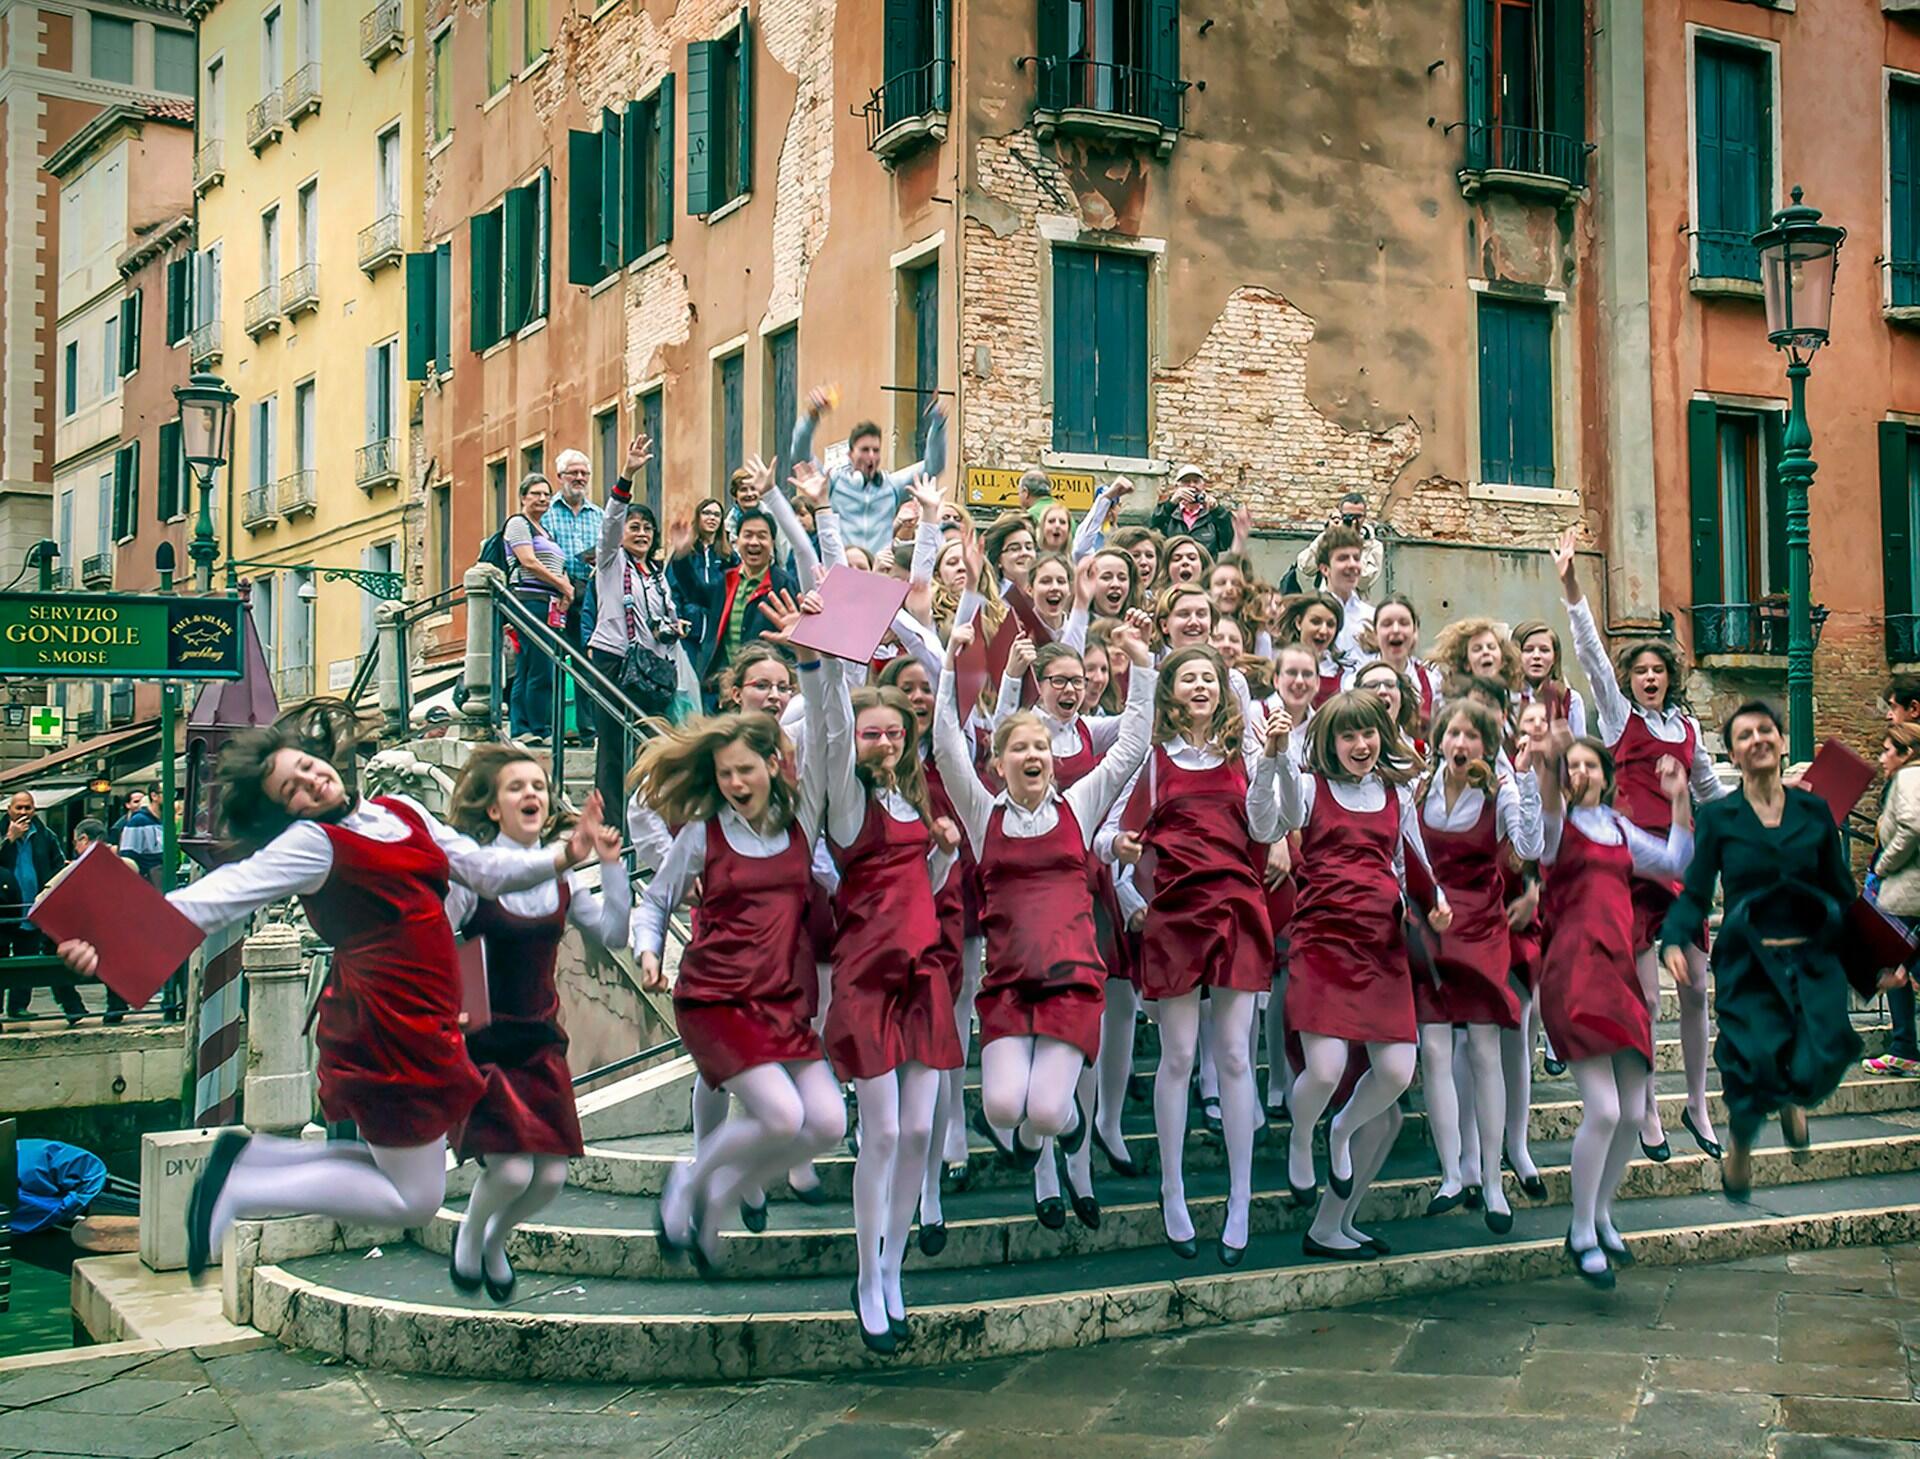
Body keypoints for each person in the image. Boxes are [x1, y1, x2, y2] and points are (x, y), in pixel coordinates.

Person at [56, 701, 609, 1281]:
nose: (311, 782)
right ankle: (246, 1176)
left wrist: (566, 855)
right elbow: (217, 896)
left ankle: (253, 1168)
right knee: (414, 1200)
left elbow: (485, 872)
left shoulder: (402, 810)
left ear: (325, 759)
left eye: (306, 767)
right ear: (284, 813)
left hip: (428, 1023)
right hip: (382, 1028)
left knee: (415, 1190)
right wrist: (109, 944)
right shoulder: (312, 845)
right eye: (292, 789)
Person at [632, 709, 847, 1284]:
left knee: (827, 1124)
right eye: (725, 774)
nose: (735, 784)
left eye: (745, 771)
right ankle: (692, 1177)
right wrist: (649, 951)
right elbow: (655, 902)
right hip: (716, 997)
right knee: (781, 1115)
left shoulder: (801, 824)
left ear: (773, 766)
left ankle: (718, 1193)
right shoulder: (705, 834)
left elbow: (832, 733)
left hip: (778, 998)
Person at [1661, 701, 1909, 1199]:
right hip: (1750, 963)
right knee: (1750, 1058)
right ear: (1732, 751)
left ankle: (1794, 1098)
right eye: (1745, 734)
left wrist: (1872, 967)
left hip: (1811, 960)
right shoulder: (1720, 819)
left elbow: (1841, 893)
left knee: (1826, 1054)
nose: (1758, 739)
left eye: (1766, 730)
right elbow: (1695, 890)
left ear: (1780, 741)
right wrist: (1674, 939)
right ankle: (1741, 1144)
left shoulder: (1814, 813)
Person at [1555, 528, 1726, 1163]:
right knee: (1649, 995)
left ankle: (1699, 1103)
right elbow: (1592, 652)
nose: (1649, 678)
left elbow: (1712, 791)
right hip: (1630, 868)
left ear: (1670, 678)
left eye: (1658, 671)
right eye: (1642, 671)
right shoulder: (1617, 717)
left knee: (1698, 988)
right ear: (1631, 680)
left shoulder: (1687, 727)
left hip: (1679, 867)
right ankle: (1648, 1102)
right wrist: (1571, 585)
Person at [443, 748, 629, 1301]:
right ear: (494, 809)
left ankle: (496, 1240)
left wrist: (613, 863)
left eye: (539, 786)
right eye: (515, 787)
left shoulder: (565, 882)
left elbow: (616, 934)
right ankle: (469, 1237)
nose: (531, 794)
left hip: (540, 1039)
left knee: (550, 1176)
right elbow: (438, 939)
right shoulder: (473, 874)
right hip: (486, 1041)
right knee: (511, 1171)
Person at [1122, 645, 1282, 1263]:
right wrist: (1120, 852)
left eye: (1208, 678)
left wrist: (1270, 762)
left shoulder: (1243, 753)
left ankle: (1241, 1198)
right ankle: (1173, 1189)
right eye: (1187, 677)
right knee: (1179, 1054)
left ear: (1224, 690)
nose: (1199, 686)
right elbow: (1117, 828)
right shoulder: (1154, 759)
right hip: (1176, 912)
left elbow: (1266, 826)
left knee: (1237, 1056)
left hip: (1238, 905)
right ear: (1169, 691)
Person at [1275, 691, 1449, 1254]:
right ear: (1328, 741)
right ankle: (1303, 1134)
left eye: (1369, 733)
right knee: (1323, 1070)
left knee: (1398, 1070)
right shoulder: (1308, 788)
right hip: (1323, 941)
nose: (1361, 744)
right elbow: (1266, 819)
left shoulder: (1395, 793)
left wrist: (1435, 900)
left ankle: (1342, 1130)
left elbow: (1410, 859)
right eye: (1348, 735)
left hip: (1380, 945)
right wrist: (1273, 758)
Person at [1534, 723, 1692, 1286]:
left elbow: (1675, 863)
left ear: (1606, 772)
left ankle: (1601, 1212)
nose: (1580, 773)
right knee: (1602, 1109)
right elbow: (1548, 806)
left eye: (1589, 765)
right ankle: (1579, 1230)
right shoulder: (1556, 827)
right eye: (1571, 767)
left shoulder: (1622, 830)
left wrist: (1678, 800)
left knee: (1631, 1111)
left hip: (1619, 973)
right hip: (1572, 973)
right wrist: (1549, 760)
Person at [1412, 699, 1542, 1231]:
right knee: (1436, 1048)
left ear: (1487, 747)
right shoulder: (1417, 788)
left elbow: (1529, 846)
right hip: (1433, 925)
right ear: (1440, 739)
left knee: (1486, 1050)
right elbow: (1406, 855)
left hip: (1484, 926)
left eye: (1472, 737)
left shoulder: (1502, 791)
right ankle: (1451, 1172)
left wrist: (1528, 780)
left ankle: (1492, 1180)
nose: (1461, 744)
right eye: (1453, 735)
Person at [586, 434, 689, 811]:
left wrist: (675, 627)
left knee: (652, 743)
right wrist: (627, 475)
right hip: (615, 661)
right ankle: (613, 821)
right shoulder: (612, 563)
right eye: (635, 527)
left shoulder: (655, 574)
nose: (641, 532)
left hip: (652, 667)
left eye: (647, 527)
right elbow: (610, 523)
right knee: (613, 746)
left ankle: (648, 814)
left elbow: (666, 614)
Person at [791, 390, 948, 559]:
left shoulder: (891, 486)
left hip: (879, 571)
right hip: (842, 568)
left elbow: (933, 467)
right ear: (850, 454)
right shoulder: (834, 483)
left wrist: (938, 425)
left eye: (876, 450)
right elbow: (801, 456)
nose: (871, 456)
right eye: (865, 450)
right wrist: (812, 417)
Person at [1866, 721, 1920, 1077]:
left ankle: (1904, 1046)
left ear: (1906, 753)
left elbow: (1913, 826)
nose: (1882, 758)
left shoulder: (1908, 779)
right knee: (1894, 963)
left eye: (1887, 750)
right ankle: (1903, 1047)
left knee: (1893, 964)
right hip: (1909, 891)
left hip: (1908, 890)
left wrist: (1883, 866)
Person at [503, 473, 573, 745]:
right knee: (540, 665)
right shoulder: (518, 524)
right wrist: (564, 586)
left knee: (529, 664)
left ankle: (523, 727)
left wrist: (565, 589)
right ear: (523, 497)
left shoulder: (545, 530)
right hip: (529, 599)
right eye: (536, 493)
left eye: (546, 494)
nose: (543, 498)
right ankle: (538, 727)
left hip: (548, 602)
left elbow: (557, 566)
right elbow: (528, 561)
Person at [1, 790, 78, 1024]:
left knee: (28, 958)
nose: (24, 813)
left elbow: (57, 866)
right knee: (2, 960)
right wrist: (9, 840)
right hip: (4, 910)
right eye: (19, 808)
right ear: (9, 810)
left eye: (28, 808)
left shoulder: (45, 835)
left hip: (33, 908)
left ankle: (18, 1007)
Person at [67, 819, 134, 1024]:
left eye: (75, 843)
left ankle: (73, 1007)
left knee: (52, 946)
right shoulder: (119, 862)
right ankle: (115, 1005)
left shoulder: (83, 866)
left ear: (84, 839)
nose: (75, 848)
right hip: (114, 932)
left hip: (95, 933)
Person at [544, 449, 606, 656]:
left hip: (590, 589)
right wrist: (562, 584)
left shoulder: (600, 514)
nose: (580, 478)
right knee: (555, 654)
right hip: (556, 589)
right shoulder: (547, 511)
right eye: (573, 473)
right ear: (560, 477)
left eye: (584, 473)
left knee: (588, 651)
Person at [669, 498, 739, 673]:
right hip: (689, 630)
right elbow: (673, 589)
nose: (712, 518)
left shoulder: (729, 556)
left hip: (718, 631)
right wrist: (676, 617)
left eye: (716, 514)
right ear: (698, 517)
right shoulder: (686, 552)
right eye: (706, 513)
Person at [1295, 491, 1385, 596]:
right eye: (1348, 516)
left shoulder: (1374, 545)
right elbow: (1306, 567)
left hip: (1355, 605)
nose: (1353, 521)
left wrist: (1353, 541)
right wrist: (1328, 535)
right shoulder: (1329, 538)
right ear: (1340, 515)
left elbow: (1364, 581)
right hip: (1327, 601)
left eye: (1358, 517)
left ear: (1365, 517)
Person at [1148, 466, 1235, 556]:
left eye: (1196, 481)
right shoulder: (1169, 513)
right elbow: (1153, 531)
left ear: (1203, 485)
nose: (1192, 485)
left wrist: (1217, 511)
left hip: (1205, 568)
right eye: (1186, 482)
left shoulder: (1213, 514)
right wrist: (1171, 504)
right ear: (1177, 486)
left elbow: (1227, 542)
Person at [111, 789, 164, 882]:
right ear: (153, 796)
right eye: (136, 801)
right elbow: (127, 858)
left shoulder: (162, 821)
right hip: (148, 882)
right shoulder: (137, 821)